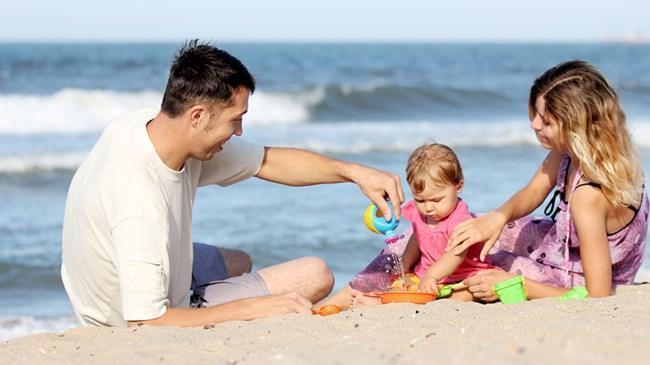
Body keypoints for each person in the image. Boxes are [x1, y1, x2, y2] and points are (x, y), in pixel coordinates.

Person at [60, 40, 405, 327]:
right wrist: (256, 309)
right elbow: (148, 324)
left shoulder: (147, 127)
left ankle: (212, 293)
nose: (239, 132)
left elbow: (268, 161)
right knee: (314, 275)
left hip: (130, 271)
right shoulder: (139, 205)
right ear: (198, 116)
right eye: (235, 120)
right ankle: (204, 303)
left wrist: (355, 173)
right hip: (126, 320)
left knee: (238, 261)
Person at [446, 60, 649, 302]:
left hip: (579, 278)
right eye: (536, 115)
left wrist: (516, 285)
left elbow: (598, 294)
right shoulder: (571, 152)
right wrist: (497, 218)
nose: (534, 124)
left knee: (481, 271)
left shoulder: (588, 196)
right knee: (469, 228)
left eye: (547, 121)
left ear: (577, 127)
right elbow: (533, 192)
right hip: (562, 247)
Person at [318, 143, 497, 309]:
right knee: (400, 286)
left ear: (458, 187)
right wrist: (405, 264)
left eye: (436, 200)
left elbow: (455, 254)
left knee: (463, 296)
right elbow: (417, 239)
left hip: (463, 275)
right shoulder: (423, 214)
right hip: (427, 274)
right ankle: (376, 301)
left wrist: (432, 275)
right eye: (420, 200)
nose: (428, 207)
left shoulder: (460, 220)